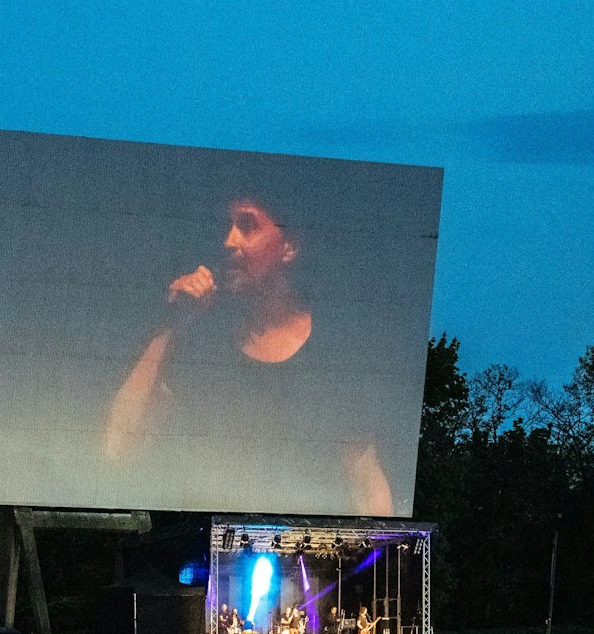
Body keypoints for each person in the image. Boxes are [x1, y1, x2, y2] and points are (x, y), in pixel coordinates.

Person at [102, 196, 392, 515]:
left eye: (247, 226)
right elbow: (119, 447)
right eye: (228, 227)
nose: (229, 241)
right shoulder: (204, 339)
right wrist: (171, 324)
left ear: (289, 247)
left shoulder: (335, 353)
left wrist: (384, 546)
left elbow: (365, 485)